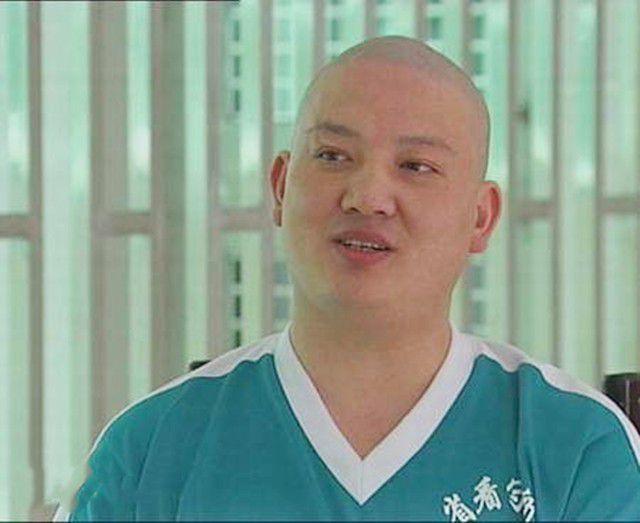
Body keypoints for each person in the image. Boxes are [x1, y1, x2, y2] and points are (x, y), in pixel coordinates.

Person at [57, 36, 640, 521]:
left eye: (416, 166)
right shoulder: (151, 449)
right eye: (333, 156)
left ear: (480, 217)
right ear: (281, 187)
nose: (367, 196)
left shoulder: (576, 446)